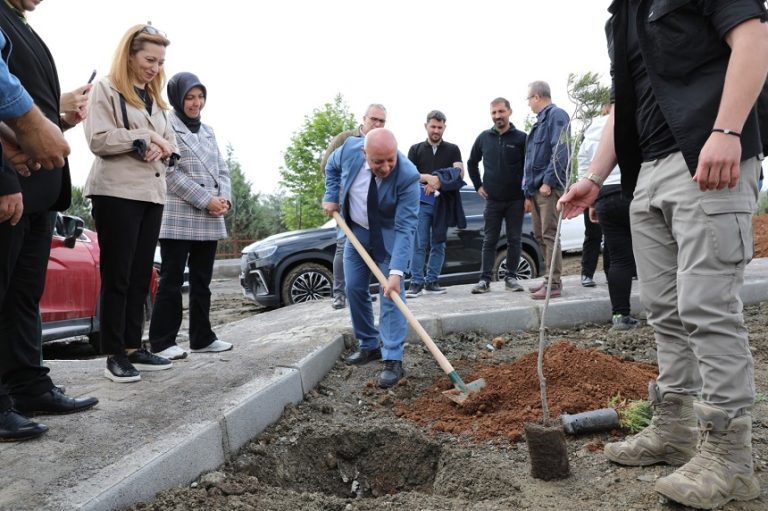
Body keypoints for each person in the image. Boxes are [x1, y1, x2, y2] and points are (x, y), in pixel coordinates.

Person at [558, 2, 768, 508]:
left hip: (706, 157)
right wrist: (594, 177)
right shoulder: (622, 14)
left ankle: (730, 458)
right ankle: (674, 429)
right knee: (666, 310)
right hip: (645, 173)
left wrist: (727, 132)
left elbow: (755, 39)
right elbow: (621, 107)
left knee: (708, 307)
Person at [0, 1, 98, 442]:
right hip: (12, 185)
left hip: (37, 189)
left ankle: (29, 386)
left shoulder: (18, 24)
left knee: (23, 296)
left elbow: (26, 116)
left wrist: (59, 118)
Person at [84, 24, 178, 383]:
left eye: (160, 61)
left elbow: (171, 143)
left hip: (152, 194)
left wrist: (161, 144)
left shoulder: (156, 99)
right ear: (130, 54)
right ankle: (113, 354)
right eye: (149, 59)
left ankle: (132, 345)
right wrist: (146, 135)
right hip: (116, 194)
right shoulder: (106, 89)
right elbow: (98, 138)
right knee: (118, 274)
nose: (154, 67)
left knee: (141, 274)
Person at [322, 128, 419, 389]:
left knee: (391, 295)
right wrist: (331, 196)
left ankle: (392, 358)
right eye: (378, 162)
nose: (386, 167)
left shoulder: (408, 176)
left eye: (391, 160)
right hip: (358, 232)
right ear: (364, 154)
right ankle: (369, 345)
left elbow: (406, 228)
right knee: (354, 287)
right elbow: (330, 168)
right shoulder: (348, 152)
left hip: (388, 239)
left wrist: (396, 273)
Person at [146, 72, 233, 361]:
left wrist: (224, 200)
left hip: (210, 215)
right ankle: (161, 341)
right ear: (177, 98)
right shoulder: (166, 124)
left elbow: (222, 168)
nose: (196, 103)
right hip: (179, 214)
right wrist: (205, 199)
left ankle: (202, 337)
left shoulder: (208, 130)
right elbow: (169, 172)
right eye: (190, 98)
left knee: (202, 281)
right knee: (171, 280)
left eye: (200, 97)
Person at [576, 103, 637, 331]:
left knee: (619, 258)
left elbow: (584, 165)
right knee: (653, 253)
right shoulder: (634, 117)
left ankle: (620, 316)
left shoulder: (593, 128)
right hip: (634, 191)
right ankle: (667, 312)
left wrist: (592, 201)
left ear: (605, 109)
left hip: (604, 195)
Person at [320, 104, 387, 310]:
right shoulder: (345, 140)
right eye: (373, 119)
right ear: (364, 118)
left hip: (368, 207)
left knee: (365, 247)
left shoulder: (382, 142)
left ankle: (359, 292)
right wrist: (336, 194)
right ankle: (339, 294)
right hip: (345, 202)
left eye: (381, 121)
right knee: (344, 245)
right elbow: (327, 166)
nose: (376, 124)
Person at [467, 98, 527, 294]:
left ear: (509, 111)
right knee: (489, 240)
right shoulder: (484, 138)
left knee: (514, 239)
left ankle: (511, 277)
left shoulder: (521, 138)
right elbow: (471, 163)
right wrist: (477, 186)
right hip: (492, 200)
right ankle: (484, 280)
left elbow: (530, 167)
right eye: (494, 113)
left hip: (516, 199)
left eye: (501, 111)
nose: (497, 116)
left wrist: (528, 195)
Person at [405, 110, 464, 297]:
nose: (436, 130)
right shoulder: (415, 149)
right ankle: (416, 283)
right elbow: (408, 176)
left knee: (439, 243)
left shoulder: (453, 149)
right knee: (419, 243)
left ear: (444, 127)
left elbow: (459, 174)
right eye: (433, 126)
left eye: (440, 127)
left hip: (443, 204)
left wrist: (438, 179)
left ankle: (432, 281)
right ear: (426, 126)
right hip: (421, 204)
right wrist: (428, 178)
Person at [523, 81, 571, 300]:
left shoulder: (557, 115)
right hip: (535, 189)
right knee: (540, 235)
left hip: (547, 189)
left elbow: (561, 150)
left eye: (528, 99)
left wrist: (549, 181)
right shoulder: (538, 123)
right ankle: (548, 279)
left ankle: (554, 284)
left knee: (550, 235)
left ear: (536, 97)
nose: (529, 104)